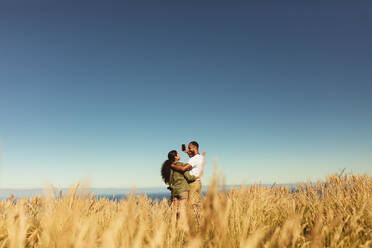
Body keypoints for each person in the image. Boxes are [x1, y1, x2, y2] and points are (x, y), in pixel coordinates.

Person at [170, 141, 205, 221]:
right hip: (197, 182)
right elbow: (191, 156)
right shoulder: (199, 157)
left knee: (193, 205)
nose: (188, 149)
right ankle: (199, 223)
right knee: (195, 204)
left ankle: (199, 224)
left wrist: (172, 166)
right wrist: (186, 151)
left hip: (193, 183)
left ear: (195, 148)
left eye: (189, 148)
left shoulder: (195, 159)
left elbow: (183, 168)